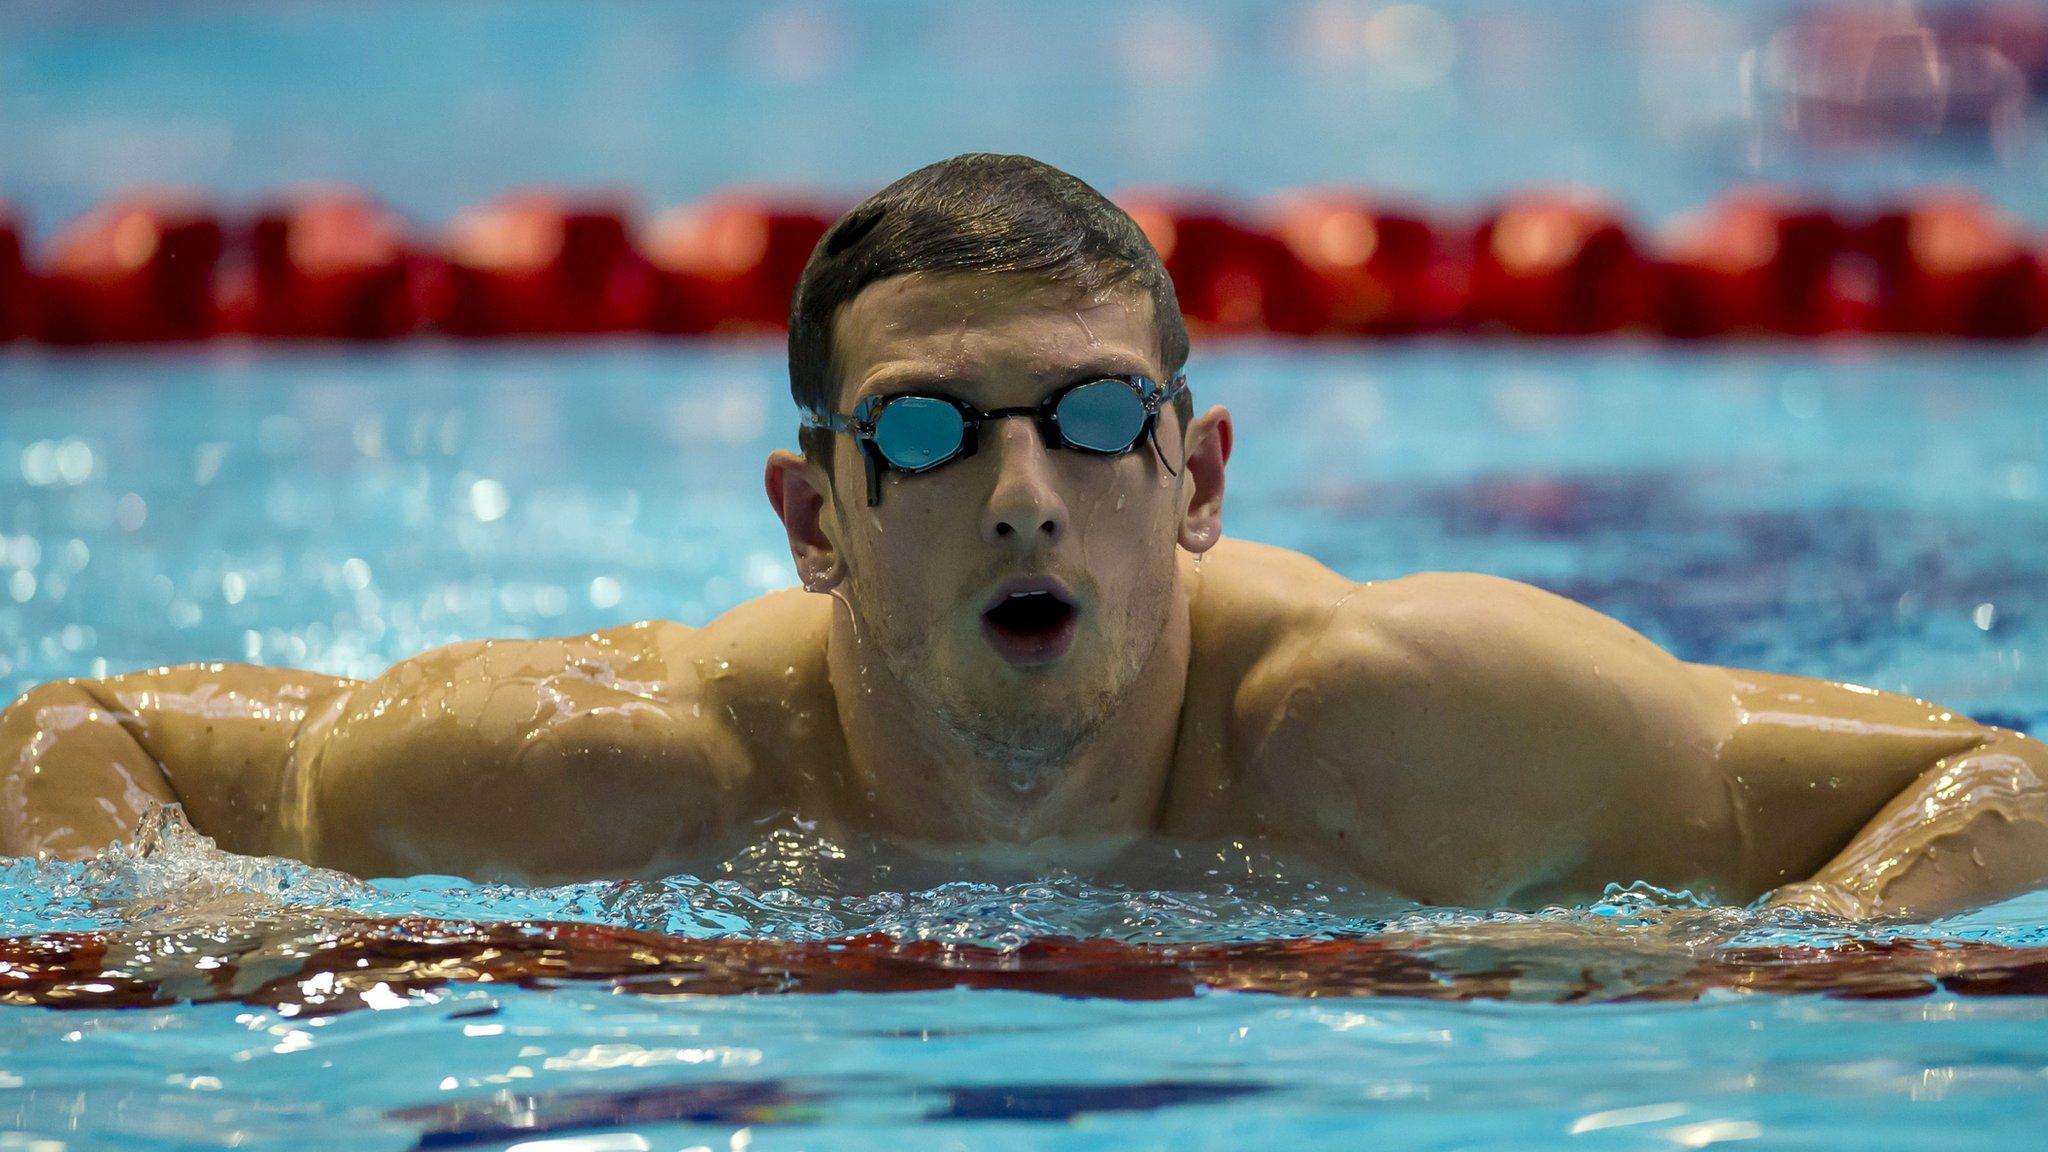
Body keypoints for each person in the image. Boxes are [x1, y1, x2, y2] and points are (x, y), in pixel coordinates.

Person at [3, 154, 2043, 917]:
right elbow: (85, 725)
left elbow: (1993, 775)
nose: (1018, 492)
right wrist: (197, 933)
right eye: (922, 430)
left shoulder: (1404, 726)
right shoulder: (625, 768)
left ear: (1199, 482)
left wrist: (1793, 969)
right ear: (815, 517)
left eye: (1088, 418)